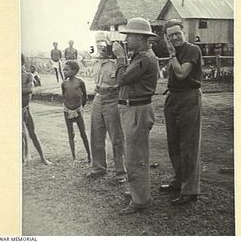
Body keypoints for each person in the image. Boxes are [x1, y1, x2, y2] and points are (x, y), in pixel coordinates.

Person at [112, 17, 158, 214]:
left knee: (135, 156)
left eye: (130, 35)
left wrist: (120, 58)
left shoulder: (145, 58)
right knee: (136, 154)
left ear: (140, 37)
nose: (127, 39)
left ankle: (140, 200)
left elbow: (122, 78)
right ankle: (138, 192)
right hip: (134, 109)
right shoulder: (141, 55)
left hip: (137, 110)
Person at [159, 19, 203, 205]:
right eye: (171, 35)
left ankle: (190, 190)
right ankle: (178, 180)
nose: (175, 37)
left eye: (178, 33)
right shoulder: (174, 52)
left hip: (189, 97)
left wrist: (171, 54)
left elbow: (182, 74)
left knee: (189, 144)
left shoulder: (192, 50)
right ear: (166, 37)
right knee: (174, 143)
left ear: (183, 32)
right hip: (173, 97)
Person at [87, 32, 126, 181]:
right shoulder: (96, 60)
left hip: (112, 98)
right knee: (96, 134)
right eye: (97, 42)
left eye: (102, 42)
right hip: (98, 98)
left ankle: (121, 171)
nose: (99, 45)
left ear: (109, 44)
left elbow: (122, 80)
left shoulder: (117, 61)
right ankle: (98, 168)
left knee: (116, 136)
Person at [22, 54, 52, 166]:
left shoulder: (28, 75)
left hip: (26, 108)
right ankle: (24, 159)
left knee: (32, 133)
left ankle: (43, 158)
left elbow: (29, 89)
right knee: (21, 134)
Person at [61, 60, 91, 162]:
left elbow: (85, 97)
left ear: (74, 71)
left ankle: (89, 156)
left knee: (83, 133)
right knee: (71, 133)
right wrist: (68, 109)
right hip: (67, 110)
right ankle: (74, 157)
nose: (64, 71)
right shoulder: (64, 83)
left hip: (78, 110)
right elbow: (64, 96)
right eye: (63, 69)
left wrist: (80, 108)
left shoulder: (80, 82)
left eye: (66, 70)